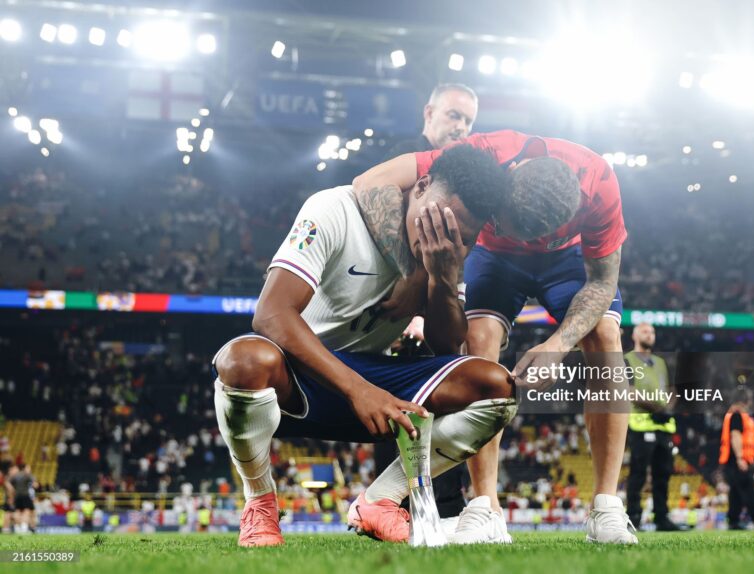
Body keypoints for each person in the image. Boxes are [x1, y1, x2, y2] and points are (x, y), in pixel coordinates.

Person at [212, 145, 518, 547]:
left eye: (462, 237)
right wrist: (359, 390)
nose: (444, 239)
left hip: (375, 375)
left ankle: (380, 501)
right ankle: (260, 502)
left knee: (496, 385)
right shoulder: (334, 210)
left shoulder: (448, 252)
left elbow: (446, 344)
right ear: (421, 186)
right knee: (244, 359)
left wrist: (441, 279)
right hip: (299, 377)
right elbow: (270, 314)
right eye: (439, 222)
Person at [353, 129, 635, 544]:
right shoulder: (485, 152)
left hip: (567, 259)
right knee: (479, 339)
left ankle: (607, 507)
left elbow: (603, 282)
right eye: (503, 221)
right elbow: (371, 180)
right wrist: (409, 271)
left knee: (606, 338)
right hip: (495, 255)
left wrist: (558, 345)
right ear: (510, 173)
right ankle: (485, 506)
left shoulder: (599, 182)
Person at [376, 83, 480, 522]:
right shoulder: (403, 158)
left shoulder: (467, 174)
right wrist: (409, 296)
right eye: (454, 115)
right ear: (429, 112)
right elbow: (381, 225)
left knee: (445, 405)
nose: (461, 127)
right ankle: (392, 508)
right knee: (396, 414)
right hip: (395, 312)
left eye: (469, 121)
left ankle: (449, 510)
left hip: (440, 298)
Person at [624, 323, 682, 531]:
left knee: (663, 474)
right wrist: (658, 408)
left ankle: (662, 517)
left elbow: (672, 390)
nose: (650, 335)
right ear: (635, 335)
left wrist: (668, 409)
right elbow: (629, 392)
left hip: (663, 426)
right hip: (641, 425)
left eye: (652, 332)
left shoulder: (661, 362)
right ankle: (633, 518)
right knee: (638, 474)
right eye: (645, 331)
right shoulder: (627, 360)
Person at [719, 389, 754, 530]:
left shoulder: (737, 414)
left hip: (735, 460)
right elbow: (735, 436)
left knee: (736, 493)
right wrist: (740, 458)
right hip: (737, 460)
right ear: (746, 400)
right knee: (749, 490)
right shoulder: (737, 414)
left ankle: (733, 521)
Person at [9, 464, 37, 534]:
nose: (29, 469)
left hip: (17, 496)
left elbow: (10, 484)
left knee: (17, 511)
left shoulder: (15, 476)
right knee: (26, 511)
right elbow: (35, 485)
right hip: (25, 496)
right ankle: (24, 528)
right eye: (28, 468)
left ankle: (17, 528)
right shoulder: (27, 475)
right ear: (24, 468)